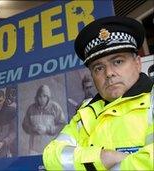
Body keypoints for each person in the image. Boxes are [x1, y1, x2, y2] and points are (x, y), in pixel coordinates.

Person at [43, 16, 154, 170]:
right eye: (99, 68)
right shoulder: (86, 112)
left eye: (118, 61)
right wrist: (102, 157)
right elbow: (51, 157)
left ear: (137, 63)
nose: (109, 73)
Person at [22, 85, 66, 155]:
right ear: (37, 98)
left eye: (44, 96)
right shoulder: (31, 108)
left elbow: (63, 125)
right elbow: (25, 125)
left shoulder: (55, 107)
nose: (42, 99)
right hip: (34, 149)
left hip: (52, 148)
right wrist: (33, 129)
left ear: (48, 97)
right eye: (40, 96)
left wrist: (47, 129)